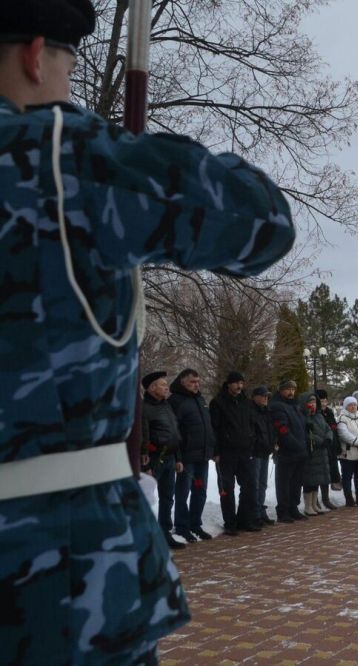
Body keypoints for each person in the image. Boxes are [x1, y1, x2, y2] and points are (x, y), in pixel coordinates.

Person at [0, 0, 296, 660]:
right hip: (59, 575)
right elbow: (263, 221)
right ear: (34, 52)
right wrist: (101, 146)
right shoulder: (63, 163)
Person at [140, 371, 186, 550]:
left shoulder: (167, 406)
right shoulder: (144, 408)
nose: (166, 387)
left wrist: (178, 457)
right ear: (152, 388)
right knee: (148, 499)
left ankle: (165, 533)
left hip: (170, 457)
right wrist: (146, 464)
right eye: (162, 384)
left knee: (167, 498)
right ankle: (146, 536)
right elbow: (144, 436)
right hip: (154, 459)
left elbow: (174, 433)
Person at [210, 371, 258, 536]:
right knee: (227, 489)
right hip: (226, 452)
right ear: (228, 384)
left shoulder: (246, 402)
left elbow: (251, 424)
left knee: (250, 485)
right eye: (236, 383)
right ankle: (230, 522)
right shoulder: (218, 402)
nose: (239, 386)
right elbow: (214, 428)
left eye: (241, 383)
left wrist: (251, 441)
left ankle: (245, 519)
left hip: (245, 451)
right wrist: (215, 451)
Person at [170, 369, 216, 542]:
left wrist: (212, 449)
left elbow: (208, 427)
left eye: (198, 381)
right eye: (192, 382)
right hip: (187, 457)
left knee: (200, 491)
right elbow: (174, 431)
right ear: (183, 382)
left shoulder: (200, 399)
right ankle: (181, 526)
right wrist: (178, 456)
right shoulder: (176, 401)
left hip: (202, 456)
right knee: (183, 492)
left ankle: (195, 523)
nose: (196, 385)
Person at [270, 380, 309, 522]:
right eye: (288, 389)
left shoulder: (295, 406)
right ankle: (283, 510)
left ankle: (293, 507)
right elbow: (283, 430)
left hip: (300, 451)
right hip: (287, 452)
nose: (291, 392)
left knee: (296, 482)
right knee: (284, 483)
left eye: (293, 389)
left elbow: (301, 427)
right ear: (280, 390)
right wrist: (297, 445)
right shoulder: (277, 406)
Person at [300, 392, 333, 516]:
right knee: (310, 480)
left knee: (317, 480)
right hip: (312, 452)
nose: (312, 405)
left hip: (322, 452)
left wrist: (328, 438)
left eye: (314, 402)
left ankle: (314, 504)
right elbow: (308, 434)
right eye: (310, 402)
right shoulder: (304, 417)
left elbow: (327, 428)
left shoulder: (319, 416)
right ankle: (308, 505)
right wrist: (320, 441)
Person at [336, 396, 358, 506]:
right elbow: (343, 434)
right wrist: (357, 442)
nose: (353, 407)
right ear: (346, 406)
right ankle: (349, 498)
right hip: (348, 453)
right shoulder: (342, 419)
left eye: (355, 404)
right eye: (350, 405)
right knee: (347, 477)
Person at [249, 386, 276, 525]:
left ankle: (260, 509)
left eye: (267, 396)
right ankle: (255, 513)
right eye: (263, 396)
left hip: (265, 451)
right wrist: (260, 444)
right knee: (255, 484)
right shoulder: (250, 411)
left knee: (263, 483)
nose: (266, 398)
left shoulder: (267, 411)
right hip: (255, 452)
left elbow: (271, 430)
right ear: (255, 396)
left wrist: (272, 443)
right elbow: (251, 433)